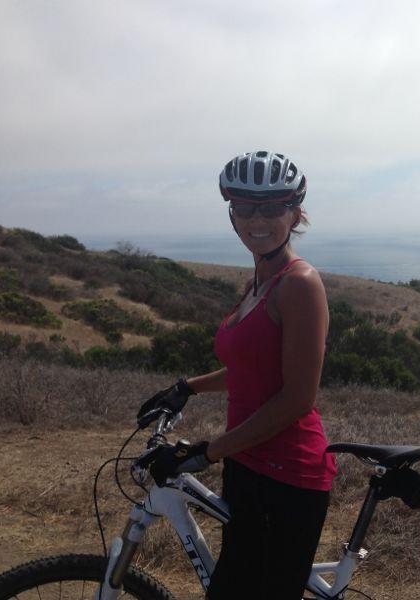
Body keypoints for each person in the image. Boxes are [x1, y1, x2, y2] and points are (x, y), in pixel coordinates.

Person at [139, 151, 337, 599]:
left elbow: (297, 399)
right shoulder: (259, 281)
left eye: (271, 207)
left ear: (295, 213)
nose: (257, 219)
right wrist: (187, 387)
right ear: (232, 216)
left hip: (287, 478)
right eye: (245, 208)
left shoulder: (299, 283)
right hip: (247, 462)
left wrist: (207, 452)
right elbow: (251, 369)